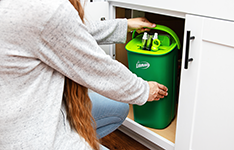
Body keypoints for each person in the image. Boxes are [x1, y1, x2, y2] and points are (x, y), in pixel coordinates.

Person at [0, 0, 168, 149]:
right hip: (33, 138)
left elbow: (67, 33)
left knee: (119, 107)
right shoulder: (46, 7)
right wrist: (144, 89)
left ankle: (81, 137)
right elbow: (98, 68)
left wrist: (123, 25)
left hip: (17, 118)